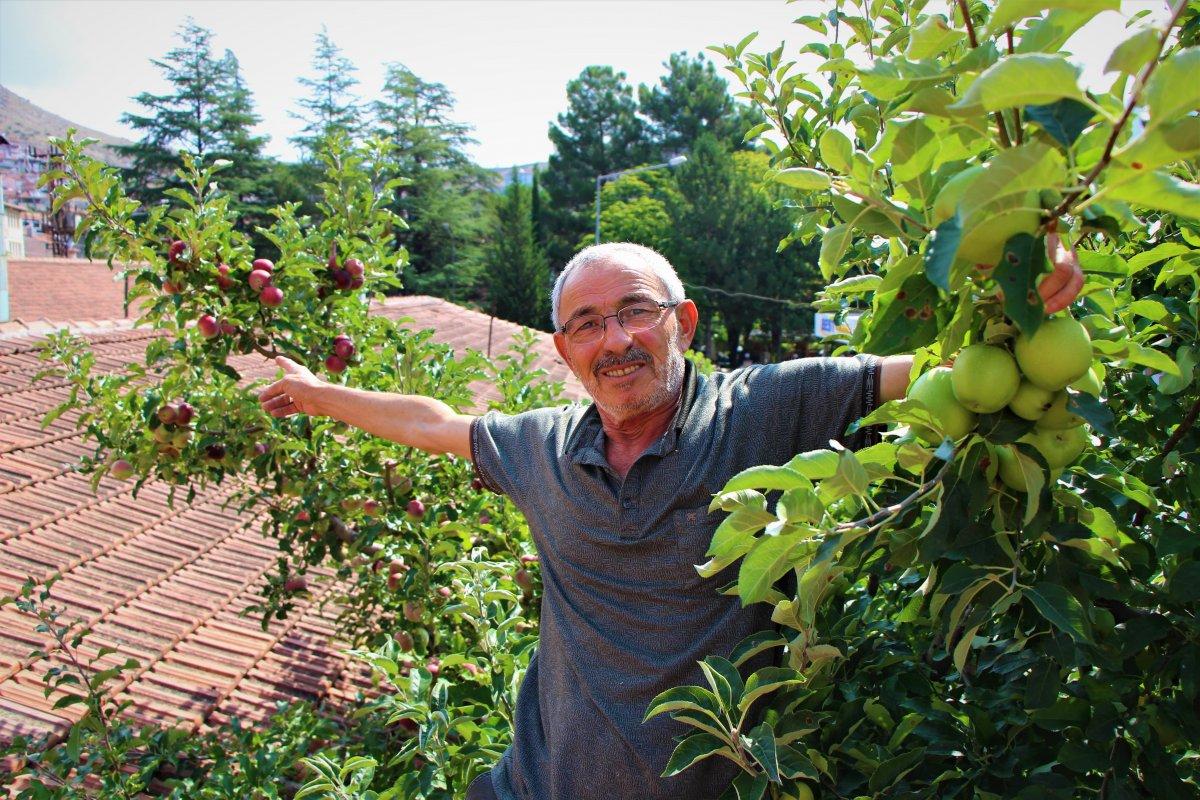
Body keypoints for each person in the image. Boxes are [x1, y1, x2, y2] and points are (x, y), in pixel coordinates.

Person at [259, 240, 1083, 800]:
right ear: (563, 351)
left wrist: (1023, 292)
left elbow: (939, 372)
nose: (615, 340)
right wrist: (317, 395)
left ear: (682, 322)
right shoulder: (540, 448)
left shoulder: (764, 409)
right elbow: (431, 421)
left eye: (635, 311)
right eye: (587, 324)